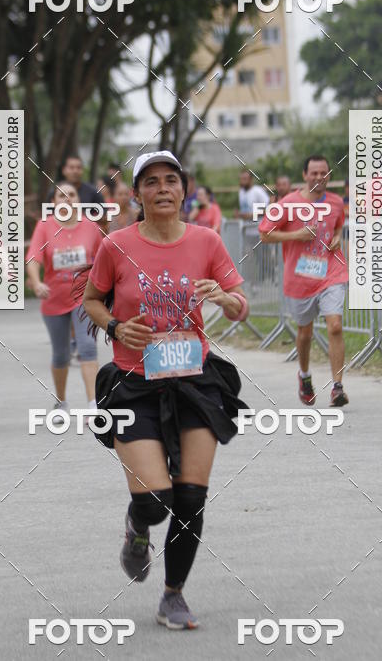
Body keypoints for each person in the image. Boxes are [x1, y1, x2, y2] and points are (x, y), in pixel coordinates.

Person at [82, 150, 248, 631]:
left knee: (192, 497)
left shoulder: (207, 240)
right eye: (151, 182)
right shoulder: (116, 245)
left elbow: (241, 307)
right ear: (136, 195)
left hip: (195, 380)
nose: (162, 189)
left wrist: (224, 297)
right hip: (134, 384)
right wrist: (115, 326)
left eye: (170, 180)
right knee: (156, 499)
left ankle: (173, 595)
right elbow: (92, 300)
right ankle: (138, 527)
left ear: (184, 189)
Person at [259, 154, 349, 407]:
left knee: (335, 326)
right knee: (305, 333)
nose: (319, 177)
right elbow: (265, 234)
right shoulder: (288, 203)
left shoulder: (335, 202)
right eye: (314, 173)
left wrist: (339, 236)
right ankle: (305, 376)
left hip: (331, 271)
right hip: (300, 277)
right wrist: (296, 235)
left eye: (324, 173)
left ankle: (337, 387)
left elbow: (338, 225)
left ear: (329, 175)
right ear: (305, 176)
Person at [26, 182, 103, 415]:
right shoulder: (44, 227)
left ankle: (93, 404)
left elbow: (104, 259)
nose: (67, 199)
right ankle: (61, 401)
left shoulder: (91, 227)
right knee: (61, 354)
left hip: (84, 298)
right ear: (53, 203)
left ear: (78, 201)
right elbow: (33, 259)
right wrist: (37, 282)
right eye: (61, 195)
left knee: (88, 346)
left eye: (72, 194)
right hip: (54, 299)